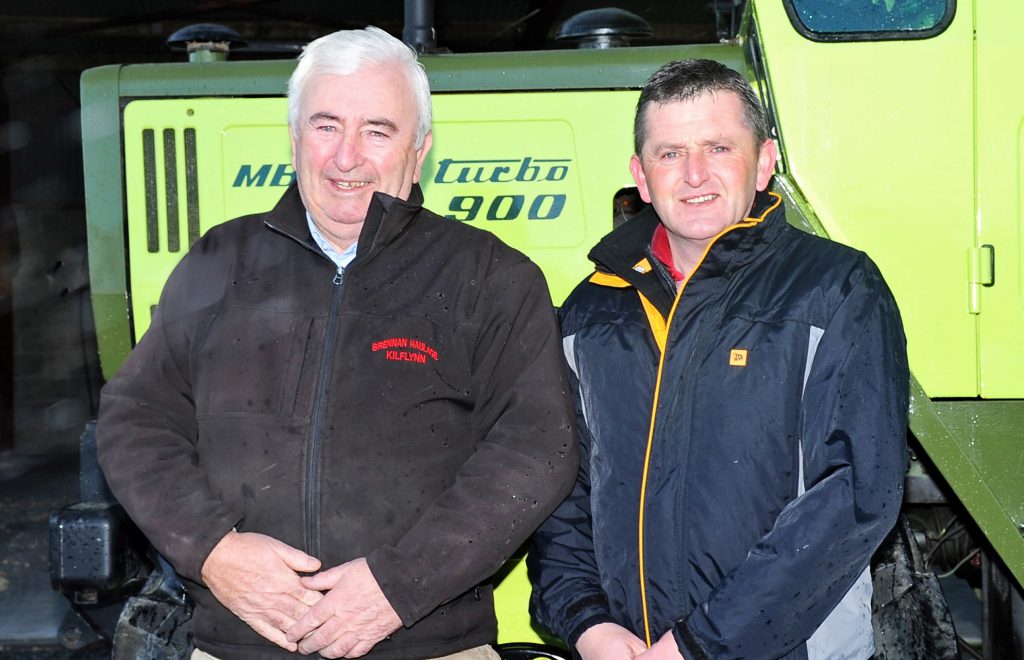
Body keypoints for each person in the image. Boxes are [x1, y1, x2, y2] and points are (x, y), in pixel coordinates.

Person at [97, 27, 578, 660]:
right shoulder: (221, 262)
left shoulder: (490, 278)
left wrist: (397, 588)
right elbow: (135, 420)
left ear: (420, 148)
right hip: (239, 644)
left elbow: (536, 450)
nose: (346, 157)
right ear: (295, 139)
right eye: (326, 126)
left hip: (427, 645)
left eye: (377, 131)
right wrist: (213, 551)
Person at [528, 59, 908, 660]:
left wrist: (700, 645)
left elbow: (856, 494)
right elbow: (561, 492)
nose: (694, 174)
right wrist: (586, 625)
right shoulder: (593, 311)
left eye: (719, 147)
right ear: (640, 176)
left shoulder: (836, 290)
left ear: (764, 162)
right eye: (670, 153)